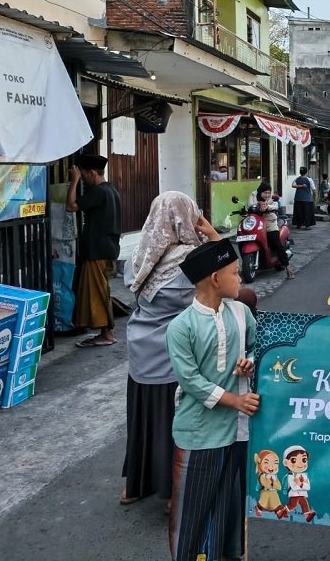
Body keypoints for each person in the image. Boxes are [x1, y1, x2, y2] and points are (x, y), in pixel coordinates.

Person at [121, 192, 219, 508]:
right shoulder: (191, 260)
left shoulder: (140, 254)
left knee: (143, 422)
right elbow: (229, 279)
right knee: (173, 424)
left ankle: (135, 486)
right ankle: (173, 491)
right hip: (173, 358)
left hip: (140, 351)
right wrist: (213, 235)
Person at [166, 240, 258, 561]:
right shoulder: (181, 327)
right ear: (215, 279)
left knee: (226, 513)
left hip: (235, 433)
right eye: (235, 273)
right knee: (190, 516)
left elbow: (258, 348)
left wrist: (251, 362)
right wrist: (234, 400)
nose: (241, 279)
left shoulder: (242, 314)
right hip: (197, 435)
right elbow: (190, 381)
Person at [66, 153, 121, 348]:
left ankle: (106, 334)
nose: (83, 179)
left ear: (91, 173)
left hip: (98, 250)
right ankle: (105, 332)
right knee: (101, 291)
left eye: (84, 175)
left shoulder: (99, 192)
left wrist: (74, 182)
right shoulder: (111, 190)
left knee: (98, 293)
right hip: (108, 249)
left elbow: (71, 206)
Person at [248, 182, 294, 279]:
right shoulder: (253, 195)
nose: (267, 195)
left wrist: (268, 207)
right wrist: (257, 205)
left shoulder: (271, 200)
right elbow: (250, 205)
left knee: (276, 243)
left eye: (269, 193)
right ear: (260, 192)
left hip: (270, 223)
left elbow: (276, 206)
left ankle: (288, 267)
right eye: (265, 193)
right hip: (256, 223)